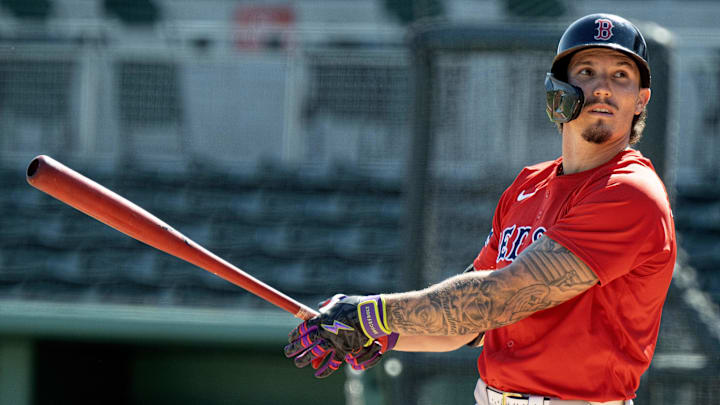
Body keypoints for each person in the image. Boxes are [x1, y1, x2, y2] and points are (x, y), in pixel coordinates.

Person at [284, 13, 676, 405]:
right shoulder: (528, 184)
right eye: (587, 71)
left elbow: (498, 298)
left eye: (621, 75)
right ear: (558, 88)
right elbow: (471, 326)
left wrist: (372, 314)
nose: (604, 88)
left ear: (641, 99)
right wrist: (380, 334)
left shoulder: (630, 191)